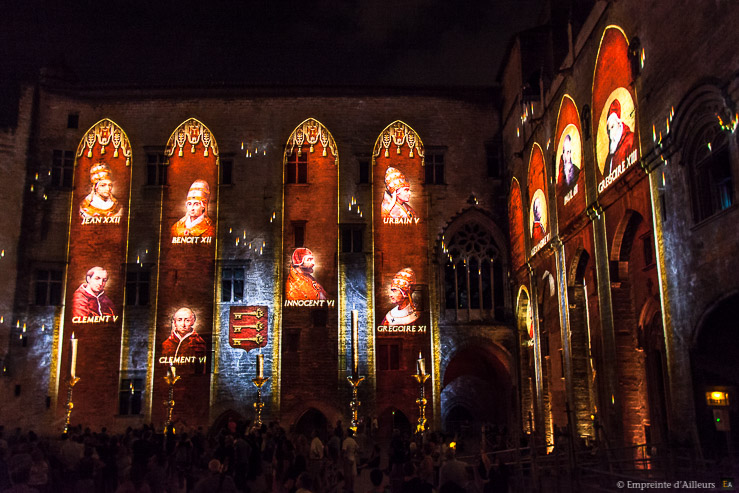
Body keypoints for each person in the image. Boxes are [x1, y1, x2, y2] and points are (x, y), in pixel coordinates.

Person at [605, 98, 636, 175]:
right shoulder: (610, 156)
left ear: (619, 124)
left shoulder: (630, 140)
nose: (611, 135)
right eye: (609, 131)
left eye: (612, 127)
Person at [342, 428, 359, 493]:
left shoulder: (346, 441)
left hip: (347, 458)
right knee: (352, 475)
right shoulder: (353, 440)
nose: (344, 433)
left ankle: (348, 489)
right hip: (353, 458)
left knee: (347, 475)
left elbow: (344, 450)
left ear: (348, 433)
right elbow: (357, 448)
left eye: (345, 432)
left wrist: (342, 456)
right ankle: (351, 488)